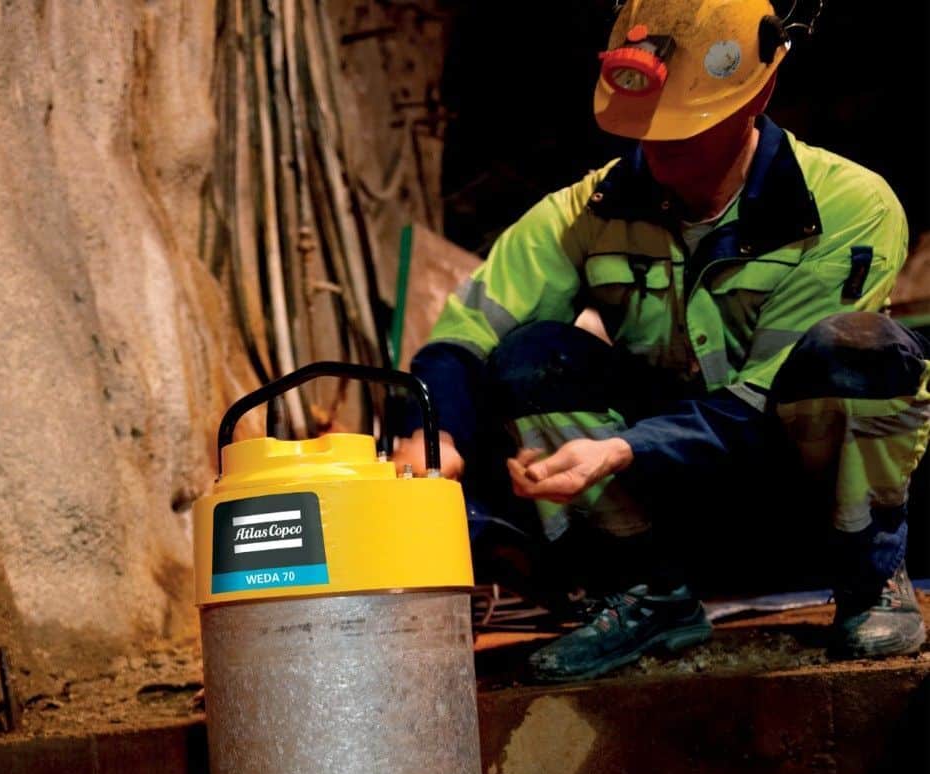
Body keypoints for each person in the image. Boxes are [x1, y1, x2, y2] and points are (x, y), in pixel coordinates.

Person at [394, 0, 929, 680]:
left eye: (688, 126)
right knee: (532, 359)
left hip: (798, 481)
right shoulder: (587, 212)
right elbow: (464, 337)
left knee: (859, 349)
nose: (662, 145)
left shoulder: (850, 208)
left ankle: (869, 577)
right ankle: (644, 596)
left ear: (760, 93)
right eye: (645, 127)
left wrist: (618, 447)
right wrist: (433, 433)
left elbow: (760, 399)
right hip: (660, 495)